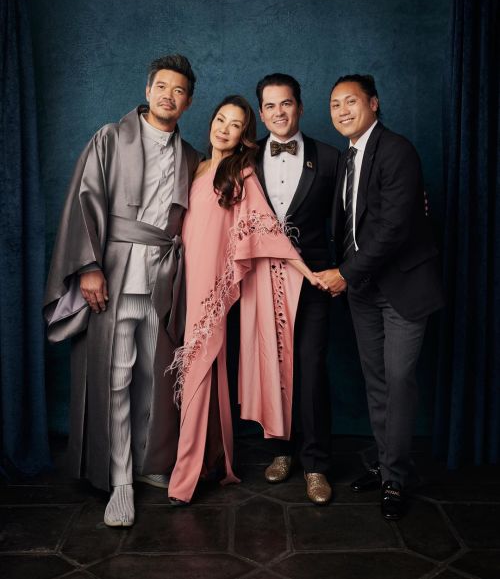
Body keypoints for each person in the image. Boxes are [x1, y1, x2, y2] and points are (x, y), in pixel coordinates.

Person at [43, 54, 201, 527]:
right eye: (162, 87)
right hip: (114, 272)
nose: (168, 96)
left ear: (188, 101)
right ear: (148, 88)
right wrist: (89, 266)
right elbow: (84, 200)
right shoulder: (111, 138)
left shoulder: (191, 155)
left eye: (179, 91)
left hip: (166, 279)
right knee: (116, 376)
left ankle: (146, 461)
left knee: (155, 376)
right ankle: (120, 481)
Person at [166, 95, 326, 505]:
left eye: (235, 124)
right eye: (220, 119)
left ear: (244, 136)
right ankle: (215, 460)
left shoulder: (243, 172)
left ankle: (183, 480)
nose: (223, 128)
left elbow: (266, 229)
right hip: (187, 278)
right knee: (209, 369)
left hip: (213, 284)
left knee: (199, 369)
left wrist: (305, 271)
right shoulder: (198, 166)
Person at [317, 74, 444, 519]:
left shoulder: (397, 150)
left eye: (350, 101)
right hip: (364, 291)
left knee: (399, 381)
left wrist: (344, 274)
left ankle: (395, 477)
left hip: (402, 287)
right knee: (375, 382)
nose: (342, 111)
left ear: (373, 102)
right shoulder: (346, 157)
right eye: (334, 105)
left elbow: (394, 227)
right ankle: (387, 464)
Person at [254, 73, 340, 505]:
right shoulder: (247, 159)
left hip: (314, 280)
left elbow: (349, 218)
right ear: (261, 112)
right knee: (272, 368)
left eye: (286, 103)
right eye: (270, 106)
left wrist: (341, 270)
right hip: (263, 284)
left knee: (309, 367)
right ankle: (279, 451)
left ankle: (316, 464)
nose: (279, 113)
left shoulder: (329, 157)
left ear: (300, 107)